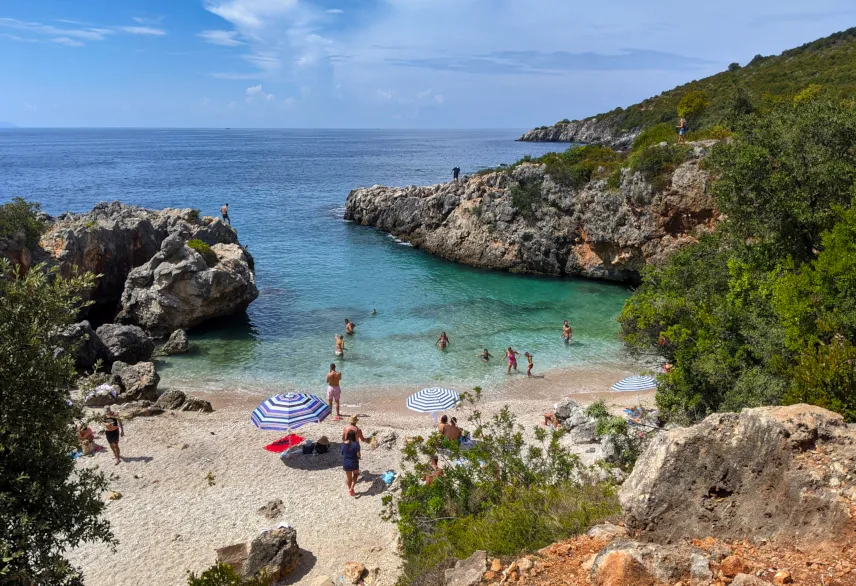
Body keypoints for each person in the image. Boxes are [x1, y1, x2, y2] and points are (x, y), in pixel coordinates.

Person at [341, 430, 361, 496]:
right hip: (354, 462)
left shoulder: (343, 444)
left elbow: (342, 453)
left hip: (346, 463)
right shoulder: (356, 444)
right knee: (356, 474)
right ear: (354, 436)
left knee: (349, 479)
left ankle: (351, 491)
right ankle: (351, 488)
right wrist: (359, 457)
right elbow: (358, 455)